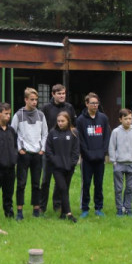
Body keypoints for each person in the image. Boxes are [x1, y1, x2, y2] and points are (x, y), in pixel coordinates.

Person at [10, 87, 48, 220]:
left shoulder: (41, 115)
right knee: (21, 183)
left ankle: (36, 210)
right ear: (25, 99)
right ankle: (19, 211)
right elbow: (12, 134)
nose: (34, 102)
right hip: (24, 154)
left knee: (36, 183)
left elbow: (45, 134)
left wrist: (42, 149)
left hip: (37, 154)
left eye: (36, 100)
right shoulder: (18, 115)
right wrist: (19, 149)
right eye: (32, 99)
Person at [40, 84, 76, 213]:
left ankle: (57, 204)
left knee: (59, 180)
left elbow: (73, 127)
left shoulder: (69, 108)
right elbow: (41, 127)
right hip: (49, 148)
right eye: (59, 93)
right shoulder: (46, 108)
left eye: (63, 93)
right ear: (53, 94)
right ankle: (42, 206)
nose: (62, 96)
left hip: (63, 149)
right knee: (45, 179)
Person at [76, 92, 110, 218]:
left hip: (100, 157)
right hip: (87, 158)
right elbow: (80, 139)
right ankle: (85, 208)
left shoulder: (103, 118)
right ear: (86, 104)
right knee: (86, 184)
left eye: (96, 103)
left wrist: (103, 152)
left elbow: (107, 136)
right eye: (92, 103)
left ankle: (98, 208)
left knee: (99, 183)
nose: (95, 105)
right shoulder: (80, 120)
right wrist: (87, 153)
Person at [45, 111, 79, 223]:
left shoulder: (73, 133)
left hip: (69, 167)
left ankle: (63, 214)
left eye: (62, 121)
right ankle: (69, 214)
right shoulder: (52, 133)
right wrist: (56, 162)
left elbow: (76, 150)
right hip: (57, 168)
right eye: (58, 121)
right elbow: (48, 150)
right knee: (63, 188)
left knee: (66, 189)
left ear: (68, 121)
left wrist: (72, 163)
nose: (60, 123)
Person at [109, 108, 132, 216]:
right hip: (119, 163)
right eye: (126, 119)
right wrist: (113, 161)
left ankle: (128, 208)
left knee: (130, 188)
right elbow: (112, 146)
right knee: (118, 188)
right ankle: (119, 208)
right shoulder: (116, 132)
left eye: (130, 118)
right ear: (120, 119)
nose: (128, 121)